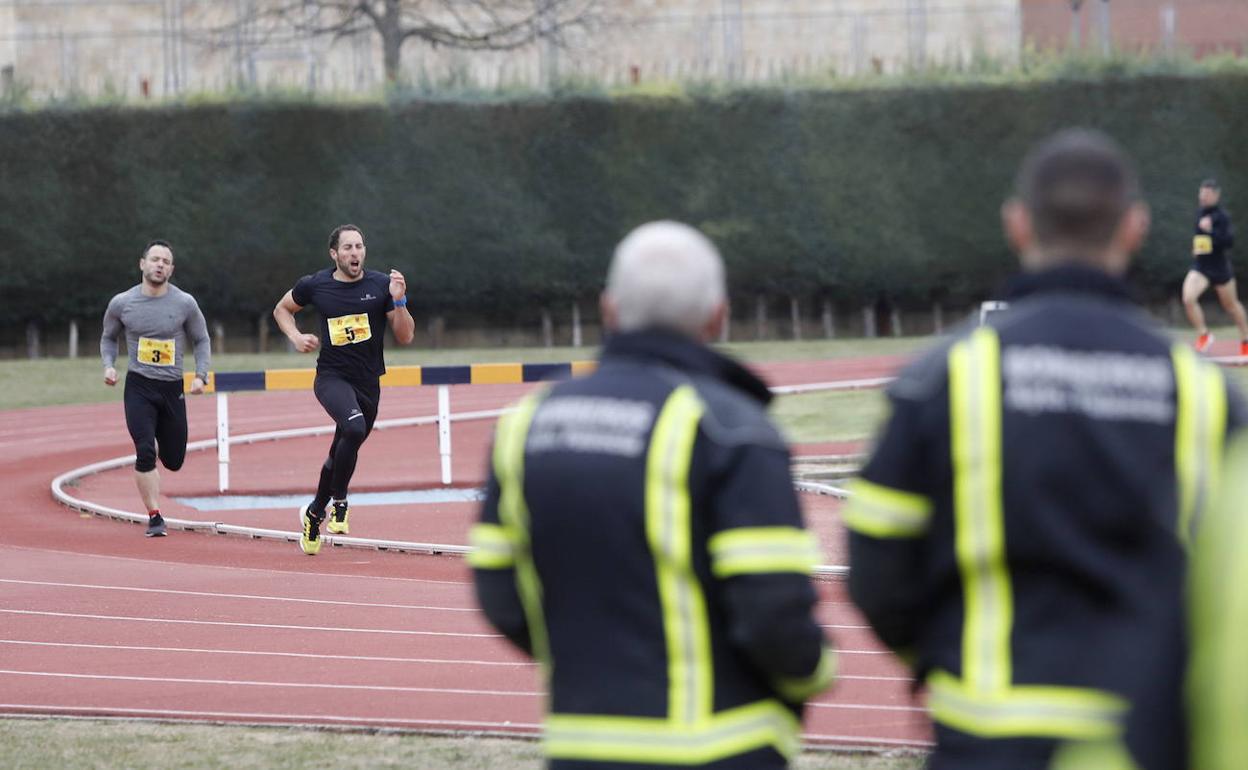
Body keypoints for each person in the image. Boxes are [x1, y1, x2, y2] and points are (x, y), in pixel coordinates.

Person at [844, 130, 1243, 770]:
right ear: (1135, 228)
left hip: (989, 729)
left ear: (1018, 224)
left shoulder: (947, 377)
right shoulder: (1207, 395)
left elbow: (876, 562)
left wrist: (944, 656)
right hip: (1151, 738)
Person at [470, 221, 835, 769]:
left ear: (608, 309)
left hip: (580, 749)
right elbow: (773, 612)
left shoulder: (525, 424)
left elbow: (500, 593)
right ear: (718, 315)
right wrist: (815, 673)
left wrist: (590, 662)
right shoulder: (731, 428)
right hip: (725, 750)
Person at [273, 224, 414, 555]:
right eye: (348, 247)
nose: (355, 253)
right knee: (353, 427)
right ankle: (340, 502)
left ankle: (314, 513)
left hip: (368, 383)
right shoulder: (315, 284)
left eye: (359, 246)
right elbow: (282, 309)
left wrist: (400, 301)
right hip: (332, 378)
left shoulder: (380, 285)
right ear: (334, 254)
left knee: (342, 448)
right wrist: (296, 337)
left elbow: (405, 336)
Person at [100, 239, 211, 538]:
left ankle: (158, 443)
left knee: (173, 460)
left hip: (172, 389)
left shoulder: (184, 303)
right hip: (139, 386)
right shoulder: (122, 303)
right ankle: (155, 516)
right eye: (155, 259)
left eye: (165, 261)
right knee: (145, 450)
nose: (160, 265)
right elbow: (109, 337)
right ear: (142, 264)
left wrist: (201, 375)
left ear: (171, 269)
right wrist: (109, 365)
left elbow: (201, 339)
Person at [1181, 178, 1248, 355]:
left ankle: (1246, 341)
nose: (1202, 197)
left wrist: (1211, 231)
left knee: (1231, 306)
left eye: (1207, 194)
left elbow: (1228, 242)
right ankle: (1204, 335)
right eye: (1201, 193)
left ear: (1216, 196)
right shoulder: (1199, 213)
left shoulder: (1222, 216)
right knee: (1188, 298)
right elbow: (1200, 238)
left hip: (1220, 268)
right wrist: (1196, 247)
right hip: (1201, 266)